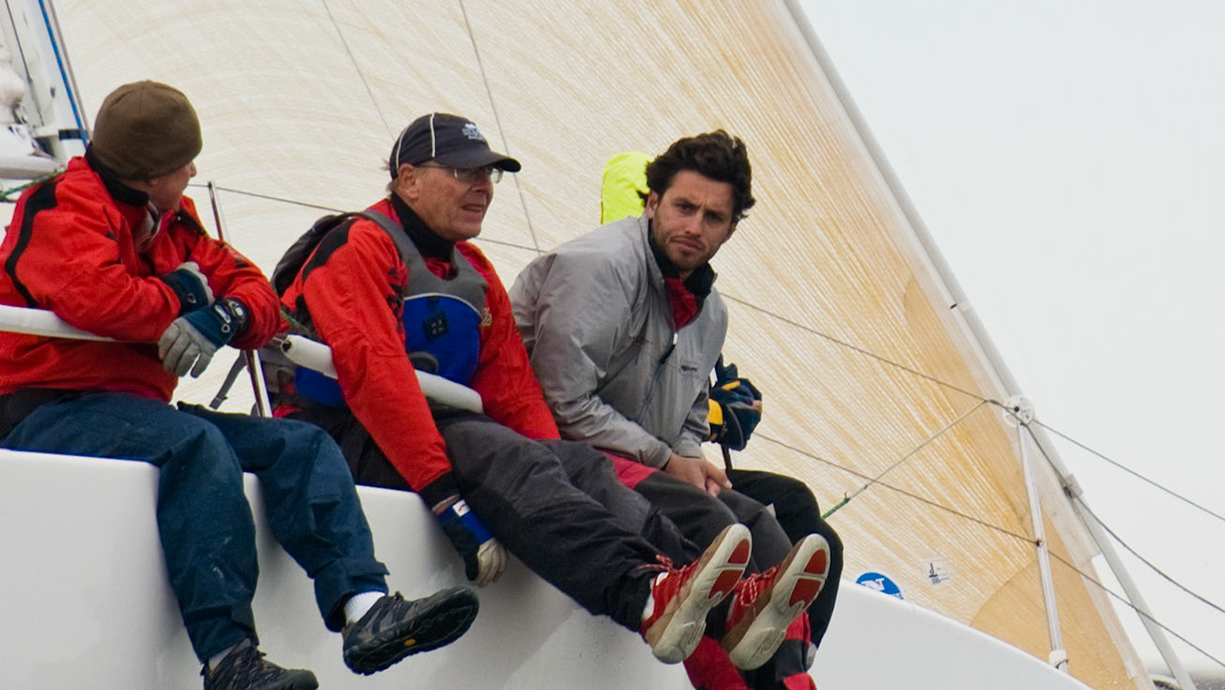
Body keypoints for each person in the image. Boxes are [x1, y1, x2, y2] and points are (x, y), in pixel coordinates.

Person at [275, 112, 805, 672]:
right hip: (341, 433)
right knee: (501, 452)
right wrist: (446, 498)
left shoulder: (473, 272)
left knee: (571, 463)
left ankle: (716, 607)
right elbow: (375, 378)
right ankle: (644, 595)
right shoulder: (359, 246)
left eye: (489, 176)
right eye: (463, 173)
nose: (481, 188)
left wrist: (561, 463)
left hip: (431, 432)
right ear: (408, 179)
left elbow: (517, 397)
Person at [0, 81, 479, 690]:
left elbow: (257, 293)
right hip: (43, 408)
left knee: (297, 444)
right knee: (196, 446)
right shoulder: (56, 207)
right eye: (182, 164)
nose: (194, 170)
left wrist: (225, 316)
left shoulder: (172, 218)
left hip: (133, 410)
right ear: (150, 175)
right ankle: (230, 660)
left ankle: (365, 609)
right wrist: (191, 292)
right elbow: (100, 300)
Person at [513, 135, 837, 690]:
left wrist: (689, 453)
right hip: (555, 449)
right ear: (653, 201)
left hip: (636, 458)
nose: (695, 226)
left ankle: (790, 678)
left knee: (781, 526)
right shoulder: (602, 268)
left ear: (731, 228)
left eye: (713, 217)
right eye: (684, 207)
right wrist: (669, 459)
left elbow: (688, 414)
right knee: (716, 527)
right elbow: (560, 402)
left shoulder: (710, 311)